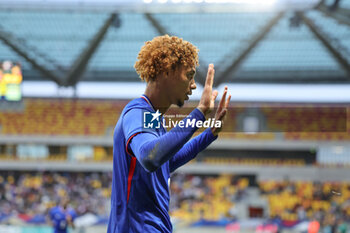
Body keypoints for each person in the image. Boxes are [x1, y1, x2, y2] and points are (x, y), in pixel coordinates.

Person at [107, 35, 231, 233]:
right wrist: (199, 112)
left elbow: (165, 163)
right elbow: (151, 157)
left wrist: (210, 133)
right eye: (189, 76)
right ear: (167, 70)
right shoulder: (137, 112)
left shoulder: (154, 120)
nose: (193, 85)